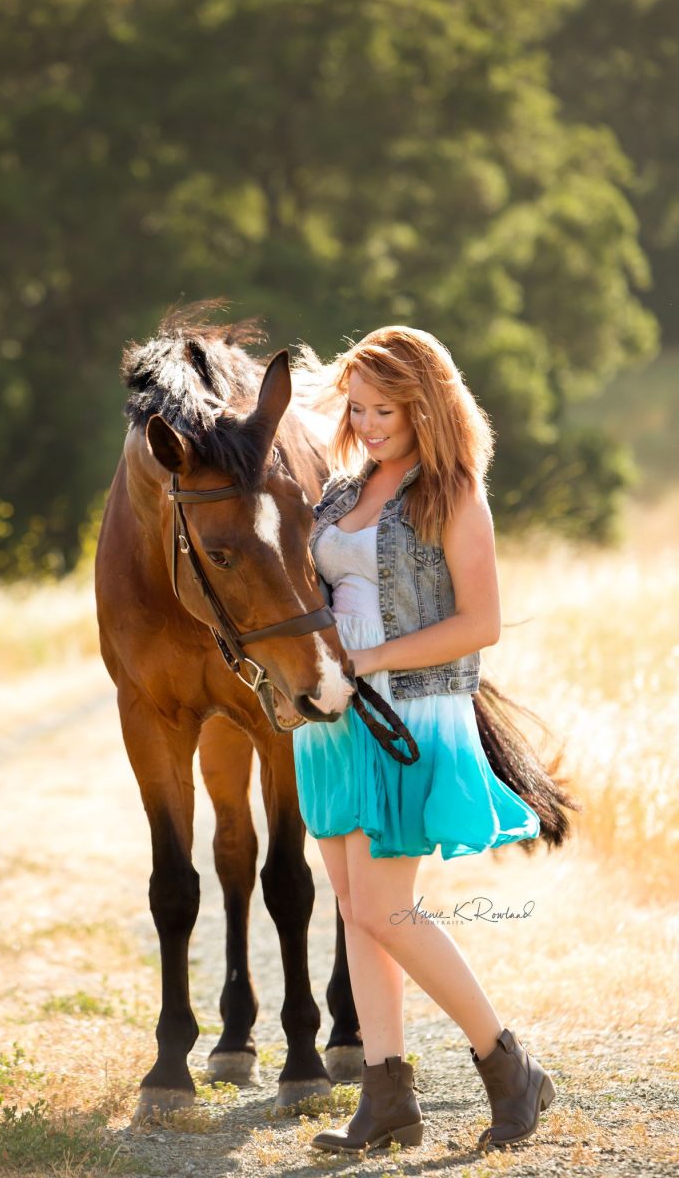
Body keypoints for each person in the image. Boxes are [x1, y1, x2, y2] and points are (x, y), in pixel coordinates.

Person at [290, 325, 556, 1154]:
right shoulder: (340, 492)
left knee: (383, 906)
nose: (368, 425)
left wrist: (370, 657)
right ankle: (386, 1096)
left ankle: (509, 1068)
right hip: (333, 720)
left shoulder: (452, 495)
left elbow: (478, 626)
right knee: (356, 911)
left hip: (407, 713)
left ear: (426, 406)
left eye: (386, 411)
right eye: (359, 408)